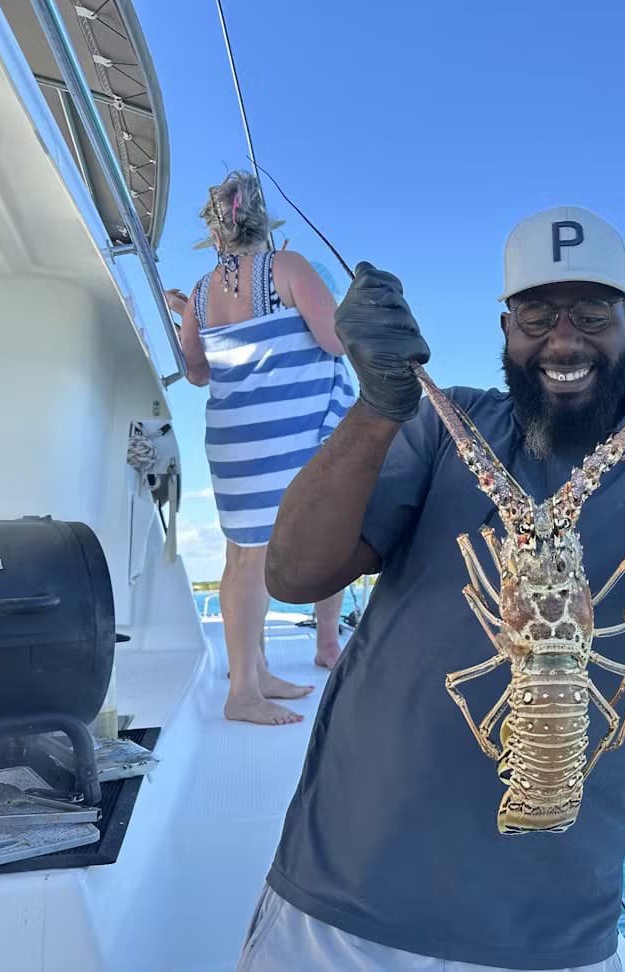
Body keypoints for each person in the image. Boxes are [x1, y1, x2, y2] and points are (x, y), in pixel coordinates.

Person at [244, 206, 625, 968]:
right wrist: (378, 408)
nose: (564, 339)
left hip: (555, 939)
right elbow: (293, 573)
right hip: (344, 912)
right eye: (537, 315)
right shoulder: (448, 429)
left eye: (592, 314)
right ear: (506, 327)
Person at [168, 171, 355, 726]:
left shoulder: (200, 294)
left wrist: (191, 320)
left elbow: (197, 374)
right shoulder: (290, 268)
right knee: (280, 553)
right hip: (289, 437)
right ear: (262, 221)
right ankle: (242, 694)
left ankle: (257, 673)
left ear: (215, 233)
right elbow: (335, 340)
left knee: (241, 556)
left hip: (233, 439)